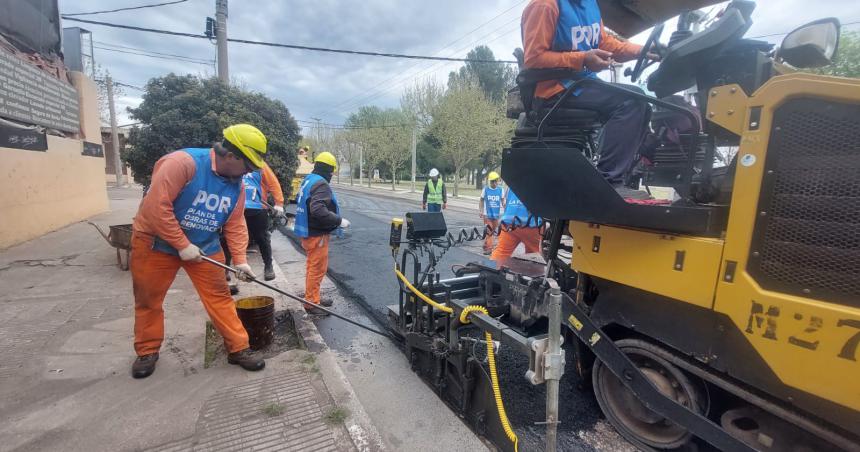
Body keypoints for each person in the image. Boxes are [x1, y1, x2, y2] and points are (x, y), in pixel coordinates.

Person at [129, 124, 268, 379]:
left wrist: (240, 261)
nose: (250, 171)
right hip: (155, 243)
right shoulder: (182, 163)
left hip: (204, 245)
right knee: (148, 299)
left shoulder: (236, 184)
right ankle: (147, 351)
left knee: (220, 296)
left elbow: (235, 222)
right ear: (231, 156)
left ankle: (239, 348)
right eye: (248, 165)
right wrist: (181, 244)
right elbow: (156, 208)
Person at [521, 0, 658, 199]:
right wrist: (582, 58)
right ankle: (608, 183)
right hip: (554, 92)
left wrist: (643, 51)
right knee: (631, 102)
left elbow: (606, 43)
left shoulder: (589, 5)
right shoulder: (545, 6)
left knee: (642, 103)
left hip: (582, 85)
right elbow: (534, 58)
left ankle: (621, 179)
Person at [294, 151, 350, 315]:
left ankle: (313, 296)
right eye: (332, 171)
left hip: (308, 230)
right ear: (329, 169)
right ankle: (311, 303)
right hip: (316, 233)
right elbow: (318, 209)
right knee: (317, 268)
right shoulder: (321, 184)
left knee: (312, 266)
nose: (332, 174)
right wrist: (338, 221)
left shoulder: (309, 179)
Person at [222, 161, 284, 287]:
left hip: (257, 207)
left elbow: (273, 183)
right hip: (234, 206)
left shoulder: (260, 165)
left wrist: (279, 203)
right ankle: (225, 269)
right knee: (226, 238)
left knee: (262, 238)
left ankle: (268, 267)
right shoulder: (235, 162)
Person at [490, 186, 543, 267]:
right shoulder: (539, 180)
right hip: (531, 224)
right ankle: (532, 274)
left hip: (509, 221)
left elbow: (505, 203)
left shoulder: (514, 179)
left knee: (501, 252)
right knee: (533, 254)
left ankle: (492, 271)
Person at [479, 172, 504, 255]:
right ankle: (489, 249)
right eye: (492, 181)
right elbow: (481, 200)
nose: (494, 183)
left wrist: (505, 208)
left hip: (496, 215)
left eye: (495, 181)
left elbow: (503, 200)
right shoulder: (485, 190)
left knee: (492, 231)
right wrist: (481, 210)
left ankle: (486, 245)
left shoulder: (501, 190)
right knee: (489, 232)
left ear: (498, 181)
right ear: (490, 182)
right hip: (487, 215)